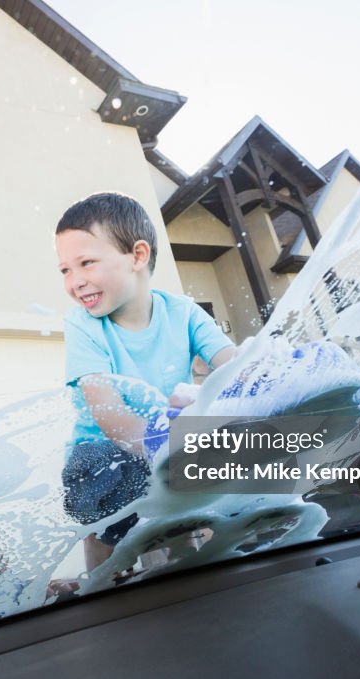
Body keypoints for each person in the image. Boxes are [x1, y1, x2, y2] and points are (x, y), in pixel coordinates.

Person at [54, 192, 237, 570]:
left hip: (166, 443)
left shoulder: (182, 312)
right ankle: (104, 580)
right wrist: (165, 442)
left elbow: (232, 365)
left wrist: (270, 370)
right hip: (99, 457)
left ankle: (183, 567)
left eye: (86, 263)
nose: (75, 282)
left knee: (187, 514)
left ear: (137, 256)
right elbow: (109, 414)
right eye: (65, 270)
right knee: (111, 519)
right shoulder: (83, 325)